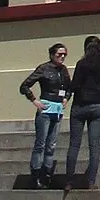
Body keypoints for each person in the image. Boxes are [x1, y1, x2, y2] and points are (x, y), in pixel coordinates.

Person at [19, 43, 72, 186]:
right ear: (52, 55)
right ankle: (35, 175)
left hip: (58, 110)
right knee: (41, 144)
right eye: (59, 54)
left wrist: (66, 98)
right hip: (45, 109)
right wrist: (34, 100)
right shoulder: (44, 68)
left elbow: (69, 87)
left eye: (64, 54)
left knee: (51, 145)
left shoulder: (64, 70)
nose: (62, 57)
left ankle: (47, 175)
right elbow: (24, 86)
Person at [64, 34, 100, 190]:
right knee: (94, 145)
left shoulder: (82, 64)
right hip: (97, 105)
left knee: (74, 144)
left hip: (80, 106)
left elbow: (75, 84)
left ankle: (69, 181)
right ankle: (91, 181)